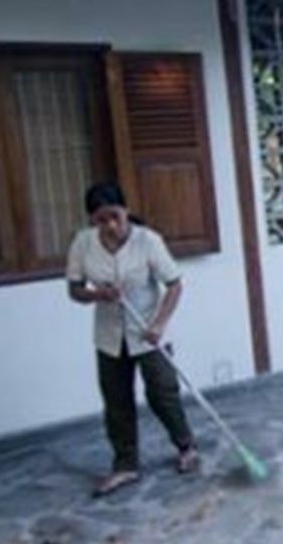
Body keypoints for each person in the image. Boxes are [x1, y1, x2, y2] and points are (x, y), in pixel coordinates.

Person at [66, 181, 199, 495]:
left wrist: (159, 325)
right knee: (116, 401)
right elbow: (74, 290)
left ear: (125, 211)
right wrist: (98, 295)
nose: (110, 225)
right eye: (101, 220)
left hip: (149, 332)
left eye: (115, 216)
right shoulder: (83, 244)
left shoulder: (147, 241)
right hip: (109, 337)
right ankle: (125, 465)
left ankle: (186, 446)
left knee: (162, 391)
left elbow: (175, 285)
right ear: (92, 220)